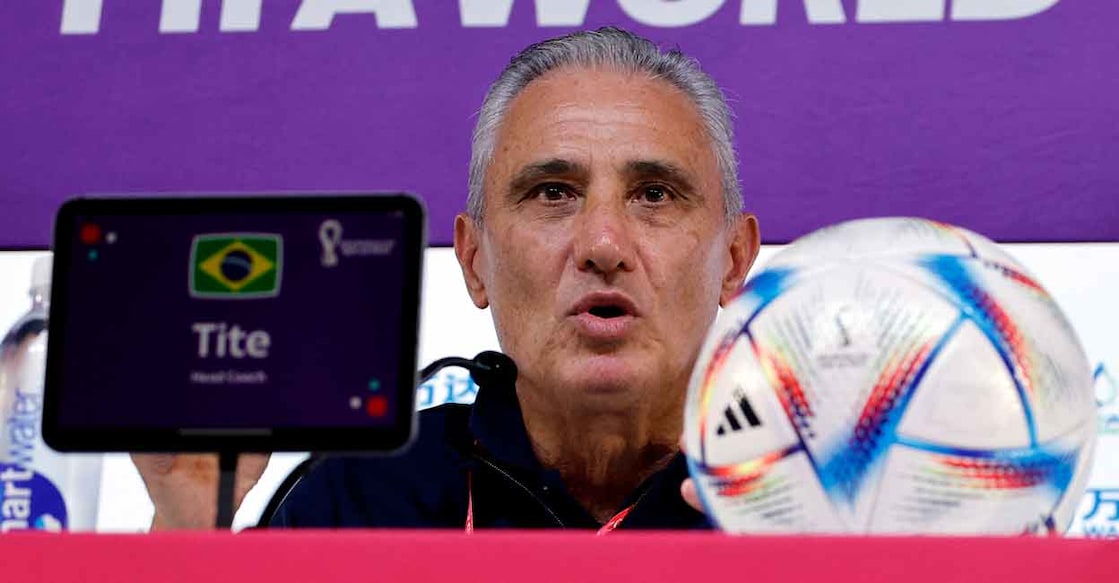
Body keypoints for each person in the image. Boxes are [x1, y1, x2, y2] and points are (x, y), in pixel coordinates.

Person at [133, 26, 760, 531]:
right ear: (474, 260)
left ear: (733, 260)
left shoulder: (819, 490)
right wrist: (189, 526)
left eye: (654, 194)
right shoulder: (361, 498)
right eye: (552, 193)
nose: (602, 245)